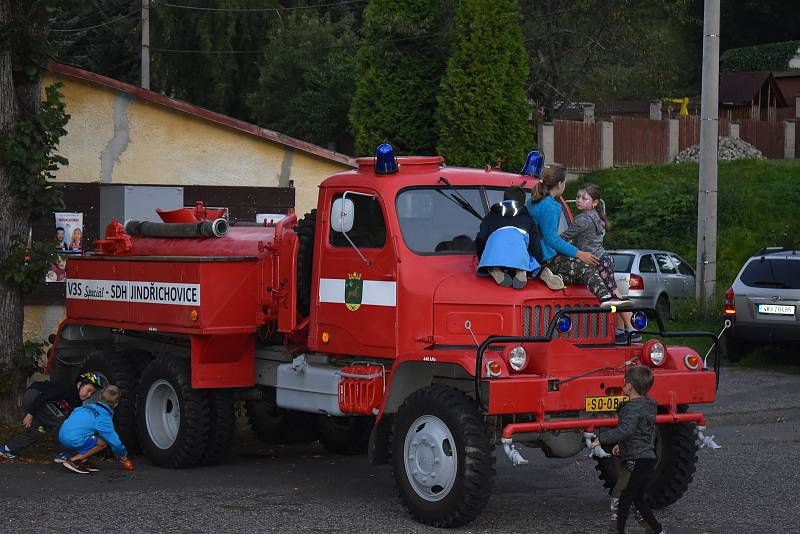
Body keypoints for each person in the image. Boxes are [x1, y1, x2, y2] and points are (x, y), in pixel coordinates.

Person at [527, 164, 630, 308]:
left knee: (576, 273)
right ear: (559, 183)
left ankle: (552, 275)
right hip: (546, 256)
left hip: (534, 256)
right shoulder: (551, 206)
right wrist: (578, 253)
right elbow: (551, 239)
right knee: (585, 268)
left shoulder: (533, 201)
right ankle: (606, 298)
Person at [560, 183, 639, 343]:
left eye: (584, 198)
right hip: (603, 260)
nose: (579, 200)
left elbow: (565, 237)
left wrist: (551, 242)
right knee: (612, 295)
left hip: (597, 261)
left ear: (595, 202)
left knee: (615, 296)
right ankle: (619, 330)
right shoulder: (596, 216)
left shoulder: (583, 219)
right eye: (577, 197)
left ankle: (632, 329)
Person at [591, 366, 664, 534]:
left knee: (624, 497)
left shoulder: (632, 407)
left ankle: (618, 531)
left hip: (636, 460)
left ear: (630, 386)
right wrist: (621, 446)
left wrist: (601, 439)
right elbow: (641, 433)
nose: (623, 385)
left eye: (624, 382)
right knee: (637, 498)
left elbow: (626, 430)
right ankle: (657, 530)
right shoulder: (648, 406)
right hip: (647, 458)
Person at [0, 372, 103, 461]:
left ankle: (7, 448)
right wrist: (30, 413)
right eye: (88, 390)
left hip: (42, 408)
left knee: (38, 432)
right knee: (62, 422)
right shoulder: (66, 388)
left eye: (92, 393)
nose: (89, 395)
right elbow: (43, 396)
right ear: (80, 384)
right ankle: (61, 453)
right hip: (34, 396)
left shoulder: (77, 401)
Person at [475, 186, 540, 289]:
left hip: (493, 257)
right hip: (519, 257)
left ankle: (494, 268)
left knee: (492, 252)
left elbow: (481, 238)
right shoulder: (528, 218)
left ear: (504, 199)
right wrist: (536, 262)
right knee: (526, 253)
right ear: (522, 203)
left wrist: (482, 258)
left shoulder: (491, 216)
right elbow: (535, 245)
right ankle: (521, 270)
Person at [58, 385, 129, 474]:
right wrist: (122, 453)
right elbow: (114, 441)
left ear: (100, 396)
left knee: (93, 434)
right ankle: (75, 460)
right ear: (116, 404)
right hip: (73, 440)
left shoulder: (87, 406)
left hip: (62, 434)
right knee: (103, 442)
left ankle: (83, 460)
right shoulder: (103, 418)